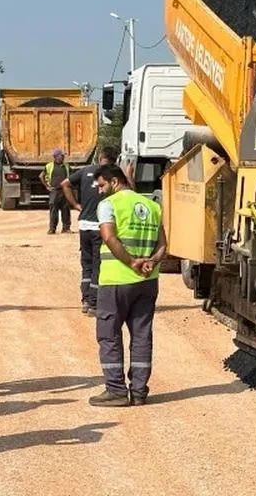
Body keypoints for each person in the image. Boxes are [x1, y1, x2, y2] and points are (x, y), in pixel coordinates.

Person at [88, 164, 167, 407]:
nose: (100, 191)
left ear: (114, 181)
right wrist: (150, 262)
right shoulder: (153, 206)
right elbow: (163, 243)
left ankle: (116, 390)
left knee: (109, 334)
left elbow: (109, 237)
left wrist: (132, 262)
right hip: (147, 281)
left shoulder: (109, 205)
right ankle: (140, 391)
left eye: (101, 185)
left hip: (116, 281)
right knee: (142, 335)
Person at [61, 146, 120, 316]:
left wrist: (76, 205)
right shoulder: (112, 176)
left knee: (86, 265)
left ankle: (86, 300)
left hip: (84, 225)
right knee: (97, 265)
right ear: (113, 160)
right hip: (100, 226)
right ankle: (94, 304)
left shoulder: (85, 171)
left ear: (100, 157)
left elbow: (64, 184)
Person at [42, 148, 72, 234]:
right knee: (53, 209)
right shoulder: (49, 166)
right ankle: (52, 229)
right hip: (54, 191)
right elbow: (41, 176)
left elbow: (72, 176)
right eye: (61, 156)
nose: (63, 157)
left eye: (63, 156)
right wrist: (47, 186)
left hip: (65, 190)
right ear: (56, 157)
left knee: (66, 209)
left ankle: (66, 228)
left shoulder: (67, 166)